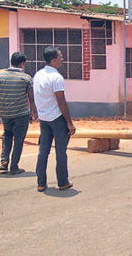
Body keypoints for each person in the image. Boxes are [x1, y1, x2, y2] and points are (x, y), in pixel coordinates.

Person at [33, 46, 76, 192]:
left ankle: (41, 183)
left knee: (43, 150)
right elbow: (61, 101)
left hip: (43, 117)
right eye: (60, 56)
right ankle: (63, 181)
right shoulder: (56, 77)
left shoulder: (38, 75)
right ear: (53, 60)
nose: (62, 59)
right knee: (60, 151)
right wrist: (69, 122)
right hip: (56, 118)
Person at [0, 52, 37, 175]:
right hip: (21, 114)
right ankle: (14, 167)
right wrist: (35, 112)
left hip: (5, 114)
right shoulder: (26, 78)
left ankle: (4, 161)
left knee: (7, 135)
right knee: (19, 140)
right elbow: (31, 98)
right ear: (22, 63)